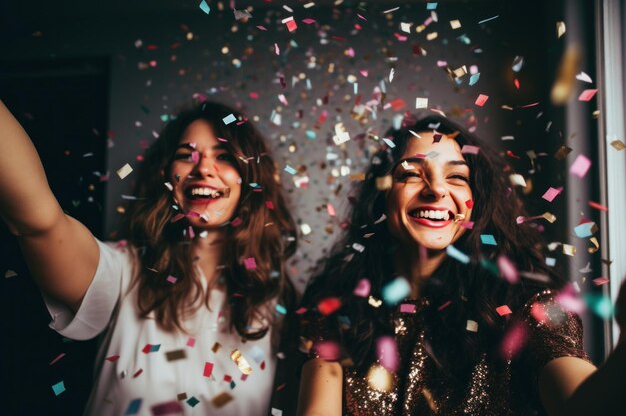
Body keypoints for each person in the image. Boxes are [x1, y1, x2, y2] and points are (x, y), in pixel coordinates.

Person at [296, 112, 626, 416]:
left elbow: (581, 402)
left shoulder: (527, 303)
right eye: (411, 173)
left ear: (476, 203)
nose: (436, 189)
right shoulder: (337, 308)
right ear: (381, 195)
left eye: (456, 176)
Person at [0, 100, 298, 416]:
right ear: (167, 175)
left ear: (249, 177)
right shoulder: (123, 272)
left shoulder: (277, 301)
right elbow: (38, 222)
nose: (203, 168)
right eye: (186, 155)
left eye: (223, 156)